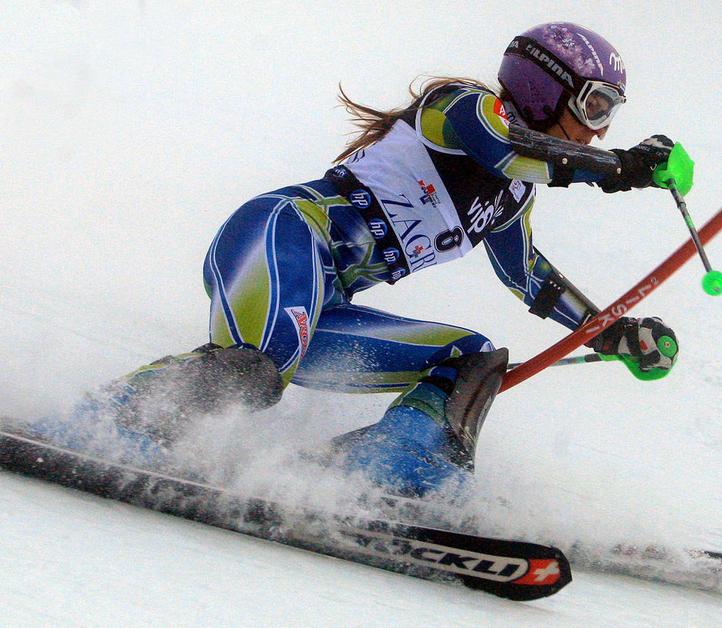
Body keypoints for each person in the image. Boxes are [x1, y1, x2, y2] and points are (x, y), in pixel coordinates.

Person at [57, 22, 682, 497]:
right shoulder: (462, 107)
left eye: (610, 115)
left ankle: (375, 472)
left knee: (470, 360)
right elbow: (505, 148)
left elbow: (530, 279)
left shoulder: (515, 193)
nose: (600, 129)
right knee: (253, 370)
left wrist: (611, 332)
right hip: (280, 239)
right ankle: (104, 422)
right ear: (546, 90)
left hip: (327, 304)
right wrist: (621, 167)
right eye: (595, 107)